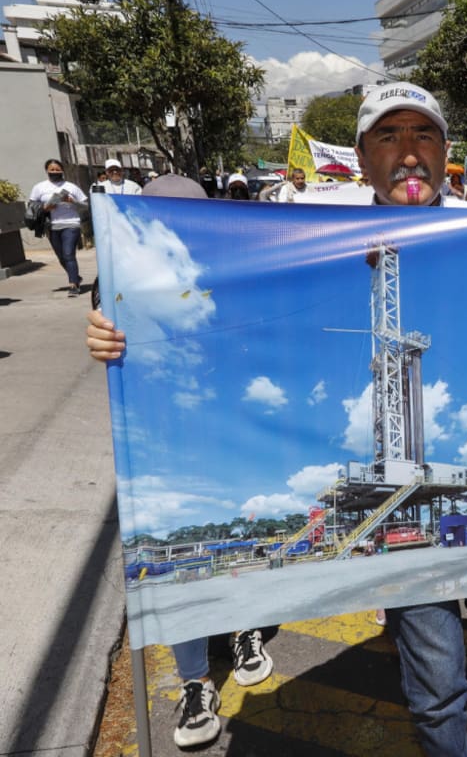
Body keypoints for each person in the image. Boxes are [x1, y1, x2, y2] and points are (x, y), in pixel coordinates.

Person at [88, 80, 467, 757]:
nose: (408, 152)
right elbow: (220, 301)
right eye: (388, 136)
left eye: (423, 135)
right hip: (410, 527)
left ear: (446, 152)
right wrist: (130, 333)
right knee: (438, 680)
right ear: (361, 156)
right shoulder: (321, 240)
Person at [84, 173, 275, 749]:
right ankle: (195, 682)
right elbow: (103, 313)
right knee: (176, 560)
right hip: (168, 440)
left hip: (236, 433)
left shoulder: (236, 268)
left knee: (240, 541)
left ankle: (245, 629)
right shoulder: (125, 272)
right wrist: (98, 333)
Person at [29, 158, 89, 297]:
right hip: (51, 226)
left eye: (57, 169)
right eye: (52, 170)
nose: (55, 172)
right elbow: (32, 206)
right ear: (47, 171)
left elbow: (86, 206)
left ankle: (73, 285)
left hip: (71, 223)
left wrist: (72, 201)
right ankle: (75, 276)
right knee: (61, 257)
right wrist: (45, 208)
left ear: (62, 170)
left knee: (69, 254)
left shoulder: (71, 187)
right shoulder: (39, 187)